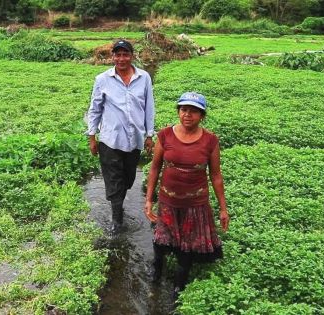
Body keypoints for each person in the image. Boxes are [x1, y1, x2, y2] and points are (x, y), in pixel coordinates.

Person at [144, 91, 229, 300]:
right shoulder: (165, 135)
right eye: (183, 110)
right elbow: (155, 168)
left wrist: (223, 208)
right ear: (178, 112)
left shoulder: (210, 141)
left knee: (187, 246)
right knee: (161, 239)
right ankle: (156, 270)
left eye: (193, 111)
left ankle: (178, 286)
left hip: (196, 203)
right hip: (167, 200)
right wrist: (149, 200)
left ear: (202, 115)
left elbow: (216, 175)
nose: (187, 115)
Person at [86, 39, 155, 234]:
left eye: (125, 54)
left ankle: (119, 203)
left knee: (128, 178)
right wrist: (92, 136)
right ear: (113, 56)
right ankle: (117, 220)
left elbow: (149, 108)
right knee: (114, 178)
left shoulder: (144, 78)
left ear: (132, 56)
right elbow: (95, 109)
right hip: (110, 140)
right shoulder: (102, 79)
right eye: (118, 54)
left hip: (134, 140)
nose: (121, 58)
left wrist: (149, 135)